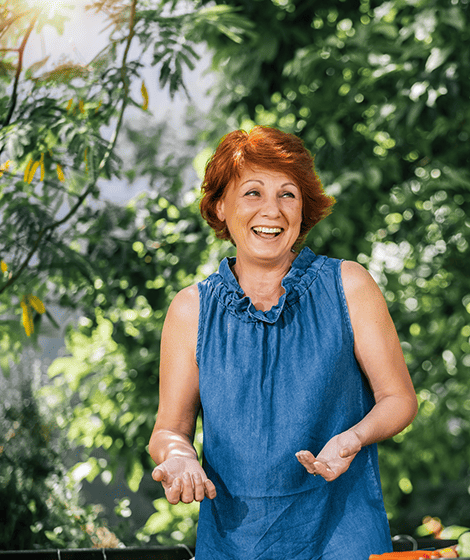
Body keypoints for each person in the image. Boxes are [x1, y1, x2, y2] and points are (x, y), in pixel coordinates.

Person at [148, 126, 418, 559]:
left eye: (287, 194)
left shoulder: (349, 285)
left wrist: (353, 437)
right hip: (235, 543)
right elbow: (169, 429)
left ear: (303, 208)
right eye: (252, 193)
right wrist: (179, 456)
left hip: (342, 535)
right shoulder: (190, 310)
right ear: (220, 207)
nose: (271, 210)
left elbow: (398, 398)